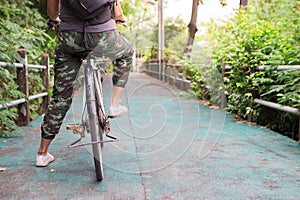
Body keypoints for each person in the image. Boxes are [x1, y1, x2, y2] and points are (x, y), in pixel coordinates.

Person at [36, 0, 133, 167]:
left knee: (61, 96)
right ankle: (114, 105)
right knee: (126, 53)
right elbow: (117, 11)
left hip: (70, 39)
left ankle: (42, 153)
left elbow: (52, 12)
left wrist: (55, 19)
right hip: (103, 36)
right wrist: (121, 18)